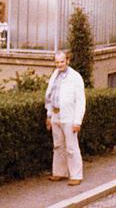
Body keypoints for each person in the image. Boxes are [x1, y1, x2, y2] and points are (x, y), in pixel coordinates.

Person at [44, 50, 86, 186]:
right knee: (58, 145)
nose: (59, 64)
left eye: (62, 61)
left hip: (69, 116)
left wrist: (77, 121)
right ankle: (59, 172)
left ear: (67, 61)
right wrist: (49, 115)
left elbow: (80, 101)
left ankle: (76, 175)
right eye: (57, 62)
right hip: (56, 115)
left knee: (71, 146)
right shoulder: (54, 75)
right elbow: (50, 97)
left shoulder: (75, 77)